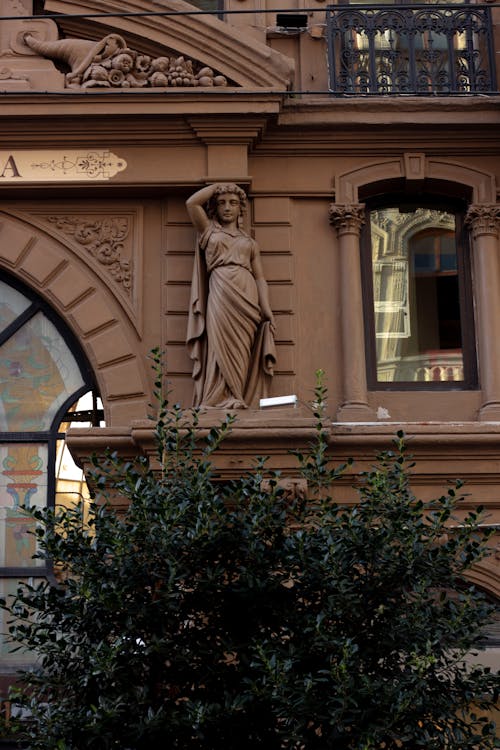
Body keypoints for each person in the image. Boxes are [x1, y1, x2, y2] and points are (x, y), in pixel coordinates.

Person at [186, 183, 276, 408]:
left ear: (240, 209)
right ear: (215, 208)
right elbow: (192, 203)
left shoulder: (250, 243)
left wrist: (266, 308)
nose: (227, 207)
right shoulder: (208, 231)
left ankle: (237, 396)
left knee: (241, 347)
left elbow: (260, 278)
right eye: (222, 203)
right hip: (221, 291)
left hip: (247, 296)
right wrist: (218, 186)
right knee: (218, 343)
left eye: (233, 203)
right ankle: (217, 396)